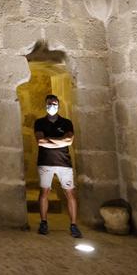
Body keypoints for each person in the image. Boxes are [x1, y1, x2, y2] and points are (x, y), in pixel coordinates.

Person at [34, 94, 81, 238]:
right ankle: (43, 222)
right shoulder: (40, 122)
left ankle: (73, 225)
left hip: (64, 163)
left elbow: (69, 141)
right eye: (49, 103)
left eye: (54, 103)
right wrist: (60, 141)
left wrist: (50, 139)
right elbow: (40, 141)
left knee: (70, 193)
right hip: (45, 162)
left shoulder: (66, 122)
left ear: (59, 105)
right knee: (44, 193)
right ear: (45, 104)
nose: (52, 106)